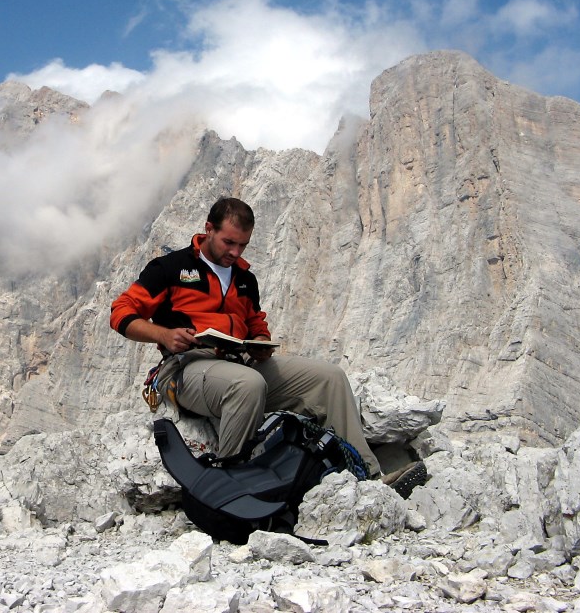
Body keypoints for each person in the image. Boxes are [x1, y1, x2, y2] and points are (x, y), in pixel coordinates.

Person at [110, 197, 426, 497]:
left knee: (329, 378)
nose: (235, 252)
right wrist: (163, 335)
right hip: (186, 368)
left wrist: (260, 342)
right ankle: (230, 488)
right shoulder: (170, 268)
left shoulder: (245, 279)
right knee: (246, 385)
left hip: (241, 361)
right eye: (228, 242)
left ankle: (369, 482)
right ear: (209, 229)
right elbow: (121, 312)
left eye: (243, 245)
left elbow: (256, 325)